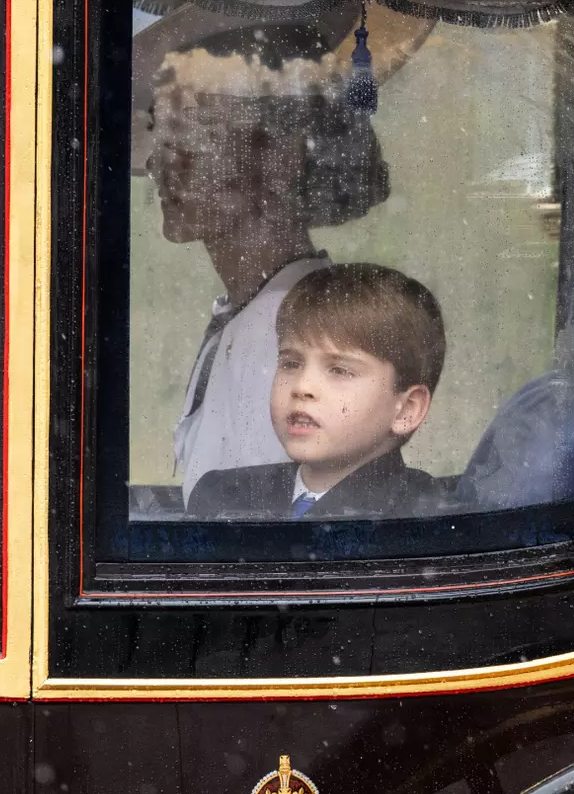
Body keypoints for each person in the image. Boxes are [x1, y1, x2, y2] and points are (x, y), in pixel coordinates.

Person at [145, 29, 391, 506]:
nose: (158, 163)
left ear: (281, 158)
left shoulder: (287, 342)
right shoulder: (252, 316)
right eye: (162, 130)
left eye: (191, 135)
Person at [187, 263, 446, 520]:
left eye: (340, 370)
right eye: (291, 364)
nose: (302, 387)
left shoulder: (422, 519)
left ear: (407, 410)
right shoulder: (221, 497)